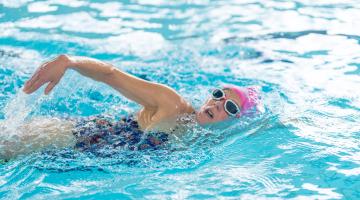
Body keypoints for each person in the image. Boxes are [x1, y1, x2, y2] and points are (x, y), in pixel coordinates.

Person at [0, 54, 261, 160]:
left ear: (236, 121)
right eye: (217, 95)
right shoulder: (171, 104)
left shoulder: (204, 141)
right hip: (73, 136)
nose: (217, 103)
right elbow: (111, 74)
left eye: (230, 107)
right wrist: (68, 62)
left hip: (83, 157)